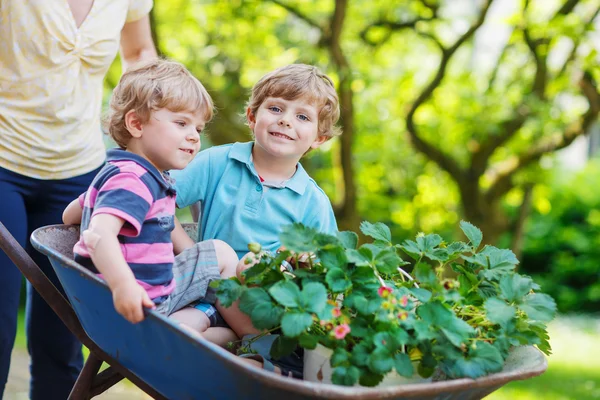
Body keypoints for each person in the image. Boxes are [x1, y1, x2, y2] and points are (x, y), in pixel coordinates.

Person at [0, 1, 157, 398]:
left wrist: (149, 128)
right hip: (3, 158)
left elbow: (138, 53)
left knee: (64, 337)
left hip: (80, 170)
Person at [170, 63, 341, 376]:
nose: (285, 121)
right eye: (275, 108)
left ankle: (254, 358)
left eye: (302, 116)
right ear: (252, 116)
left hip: (264, 315)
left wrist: (300, 262)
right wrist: (190, 251)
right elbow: (158, 199)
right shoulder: (217, 162)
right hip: (203, 291)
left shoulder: (312, 202)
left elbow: (327, 273)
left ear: (319, 138)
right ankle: (256, 360)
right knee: (177, 333)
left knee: (251, 267)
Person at [61, 59, 243, 349]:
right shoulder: (134, 180)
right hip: (137, 301)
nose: (194, 136)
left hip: (143, 299)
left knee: (222, 332)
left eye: (198, 127)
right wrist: (123, 285)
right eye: (182, 123)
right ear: (136, 124)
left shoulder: (124, 172)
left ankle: (198, 332)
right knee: (220, 255)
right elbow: (98, 234)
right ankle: (250, 336)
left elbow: (71, 214)